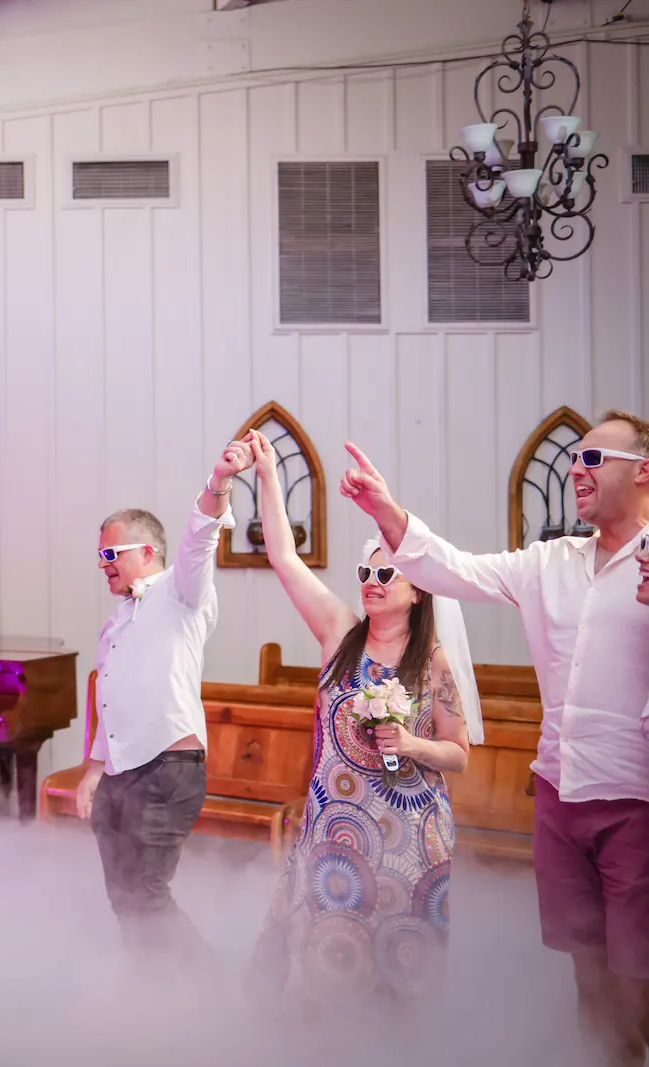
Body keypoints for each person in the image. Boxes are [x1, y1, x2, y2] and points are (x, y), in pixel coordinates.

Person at [342, 410, 649, 1066]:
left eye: (594, 459)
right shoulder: (549, 564)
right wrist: (388, 513)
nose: (576, 469)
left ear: (643, 472)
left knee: (637, 980)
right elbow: (451, 568)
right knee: (587, 968)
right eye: (574, 459)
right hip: (562, 794)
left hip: (637, 801)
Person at [240, 429, 474, 1008]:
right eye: (365, 574)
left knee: (399, 973)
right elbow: (282, 555)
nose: (371, 584)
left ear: (419, 590)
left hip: (411, 839)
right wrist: (268, 476)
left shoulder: (434, 664)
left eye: (385, 574)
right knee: (326, 957)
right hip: (338, 831)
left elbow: (460, 753)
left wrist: (414, 747)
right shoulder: (340, 635)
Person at [73, 433, 252, 965]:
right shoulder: (116, 625)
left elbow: (200, 539)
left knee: (147, 893)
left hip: (169, 768)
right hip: (120, 773)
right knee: (123, 897)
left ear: (147, 552)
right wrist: (91, 771)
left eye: (111, 553)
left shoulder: (182, 593)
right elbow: (111, 707)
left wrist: (218, 483)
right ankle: (151, 996)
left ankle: (207, 995)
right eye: (99, 554)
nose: (103, 563)